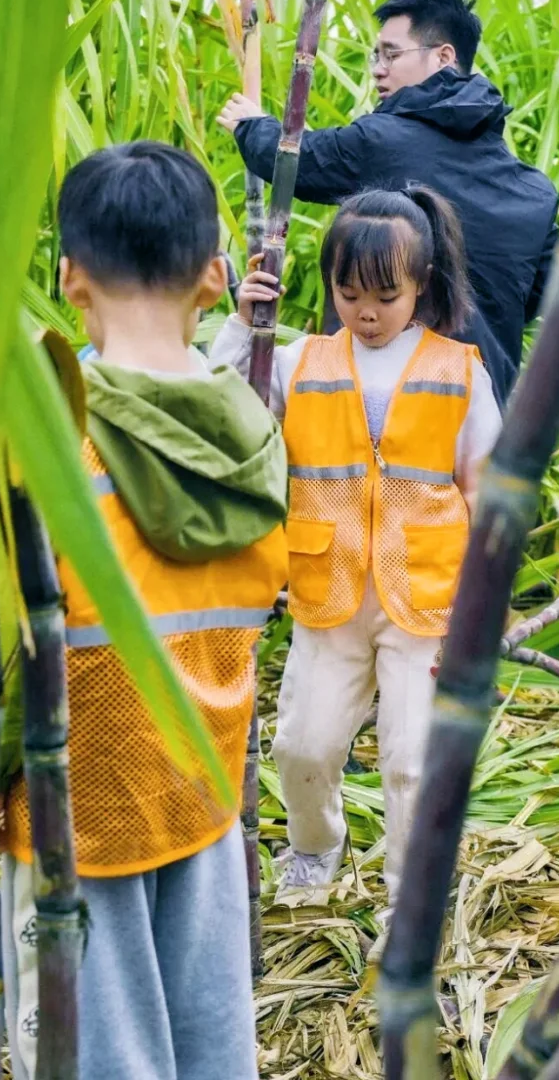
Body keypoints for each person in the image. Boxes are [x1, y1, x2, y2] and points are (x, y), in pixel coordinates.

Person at [0, 141, 289, 1080]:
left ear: (70, 276)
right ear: (215, 275)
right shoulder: (255, 441)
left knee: (102, 1058)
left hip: (69, 814)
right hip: (201, 792)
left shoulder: (51, 441)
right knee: (210, 1045)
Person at [210, 186, 501, 953]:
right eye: (348, 293)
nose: (365, 312)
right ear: (329, 282)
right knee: (303, 744)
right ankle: (314, 847)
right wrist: (247, 327)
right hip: (325, 587)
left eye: (386, 296)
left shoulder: (460, 371)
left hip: (429, 598)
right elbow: (223, 399)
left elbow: (487, 487)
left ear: (424, 286)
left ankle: (412, 900)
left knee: (412, 760)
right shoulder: (302, 359)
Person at [217, 0, 559, 405]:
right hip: (481, 408)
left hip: (373, 408)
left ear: (443, 58)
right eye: (375, 57)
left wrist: (249, 124)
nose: (378, 70)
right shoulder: (536, 193)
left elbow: (295, 163)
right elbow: (534, 302)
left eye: (391, 55)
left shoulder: (383, 142)